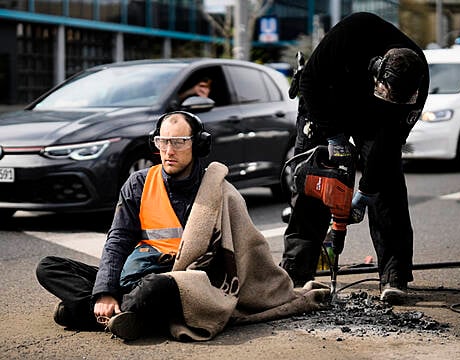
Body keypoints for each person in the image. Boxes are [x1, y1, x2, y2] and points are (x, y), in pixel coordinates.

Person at [36, 111, 328, 341]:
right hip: (134, 275)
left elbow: (246, 253)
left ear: (198, 145)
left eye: (179, 142)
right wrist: (104, 292)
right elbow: (118, 240)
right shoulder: (139, 183)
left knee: (153, 288)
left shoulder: (219, 191)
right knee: (49, 267)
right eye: (162, 141)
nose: (168, 150)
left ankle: (92, 313)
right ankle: (121, 312)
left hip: (179, 281)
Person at [280, 12, 430, 303]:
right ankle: (297, 271)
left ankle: (394, 274)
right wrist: (334, 138)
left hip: (377, 119)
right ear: (377, 70)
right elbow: (310, 82)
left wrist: (364, 193)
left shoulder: (417, 77)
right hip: (326, 103)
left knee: (388, 188)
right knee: (316, 180)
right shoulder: (353, 32)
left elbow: (388, 145)